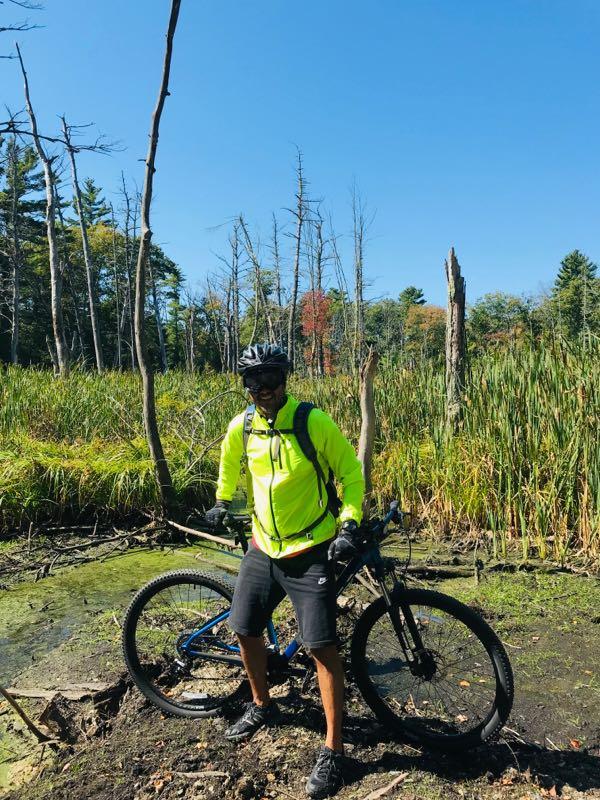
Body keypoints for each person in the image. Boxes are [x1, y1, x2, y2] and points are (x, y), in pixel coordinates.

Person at [205, 343, 365, 799]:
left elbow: (350, 473)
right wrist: (221, 501)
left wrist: (349, 521)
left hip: (311, 549)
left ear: (285, 378)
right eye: (253, 381)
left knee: (320, 647)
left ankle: (333, 748)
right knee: (244, 628)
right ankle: (261, 705)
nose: (262, 389)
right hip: (263, 547)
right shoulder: (243, 426)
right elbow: (228, 464)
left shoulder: (312, 421)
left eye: (270, 378)